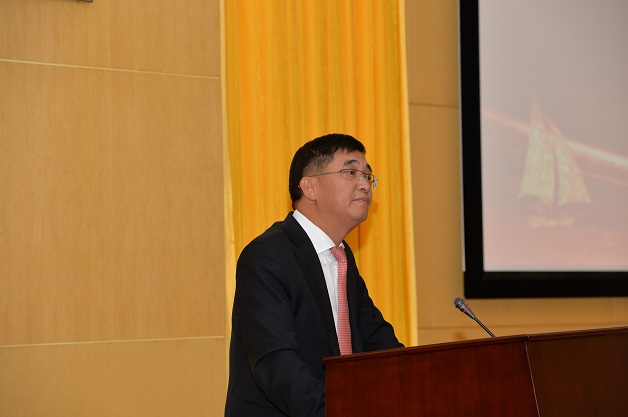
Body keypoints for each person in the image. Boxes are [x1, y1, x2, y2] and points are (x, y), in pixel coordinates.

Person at [225, 133, 403, 417]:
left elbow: (379, 344)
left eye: (367, 176)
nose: (364, 184)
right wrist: (341, 411)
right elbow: (277, 364)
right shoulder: (266, 256)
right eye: (351, 172)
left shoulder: (341, 257)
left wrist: (417, 386)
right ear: (310, 187)